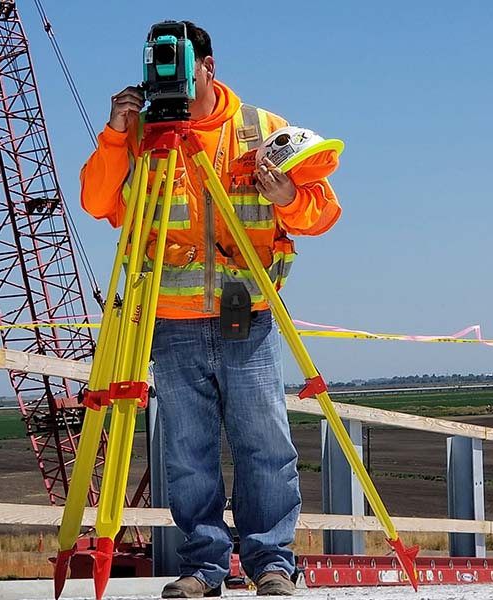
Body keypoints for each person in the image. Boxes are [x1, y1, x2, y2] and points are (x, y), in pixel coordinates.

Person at [80, 21, 342, 598]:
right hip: (168, 321)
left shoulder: (261, 130)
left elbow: (322, 214)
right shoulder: (142, 135)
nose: (166, 75)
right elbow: (98, 201)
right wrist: (116, 135)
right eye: (159, 63)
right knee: (187, 452)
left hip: (245, 316)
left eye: (178, 62)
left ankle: (270, 560)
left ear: (208, 66)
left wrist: (289, 198)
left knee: (264, 444)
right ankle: (204, 566)